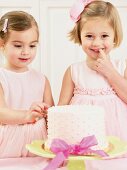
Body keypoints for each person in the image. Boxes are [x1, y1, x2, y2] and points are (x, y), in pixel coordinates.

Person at [58, 0, 127, 169]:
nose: (96, 43)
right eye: (89, 36)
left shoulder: (122, 67)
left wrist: (110, 72)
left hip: (117, 142)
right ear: (79, 36)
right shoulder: (73, 71)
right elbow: (61, 110)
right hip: (80, 141)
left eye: (104, 36)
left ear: (115, 36)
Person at [0, 11, 55, 169]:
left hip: (37, 140)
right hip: (8, 141)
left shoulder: (41, 79)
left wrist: (46, 111)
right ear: (2, 44)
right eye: (18, 46)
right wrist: (27, 115)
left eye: (32, 45)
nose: (26, 51)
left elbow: (51, 115)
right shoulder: (2, 77)